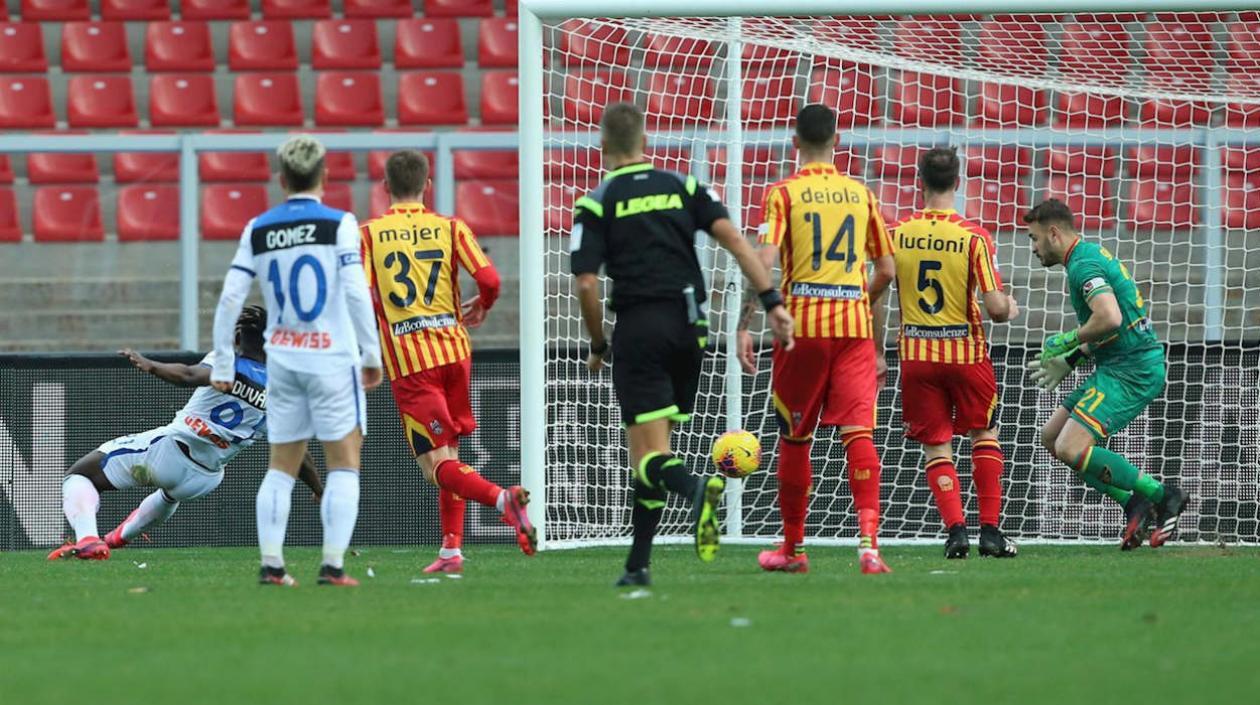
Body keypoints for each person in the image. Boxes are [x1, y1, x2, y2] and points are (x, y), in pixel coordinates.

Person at [571, 102, 794, 587]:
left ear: (604, 147)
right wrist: (772, 301)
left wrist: (597, 341)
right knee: (656, 450)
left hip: (640, 326)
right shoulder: (684, 187)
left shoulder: (596, 202)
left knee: (647, 456)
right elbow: (736, 242)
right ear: (646, 143)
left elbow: (587, 283)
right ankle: (638, 565)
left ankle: (695, 490)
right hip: (691, 329)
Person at [210, 134, 383, 587]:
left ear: (282, 179)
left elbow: (230, 297)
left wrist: (224, 363)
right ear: (324, 176)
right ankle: (332, 566)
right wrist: (371, 352)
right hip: (331, 357)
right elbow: (354, 290)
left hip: (283, 360)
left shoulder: (259, 229)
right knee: (343, 462)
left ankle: (272, 565)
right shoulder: (339, 224)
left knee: (281, 466)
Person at [736, 103, 897, 575]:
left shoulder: (783, 193)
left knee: (794, 437)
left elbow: (763, 261)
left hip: (802, 328)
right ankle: (869, 548)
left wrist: (746, 320)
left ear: (795, 142)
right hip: (853, 329)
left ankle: (792, 549)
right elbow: (886, 271)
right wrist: (855, 300)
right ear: (837, 141)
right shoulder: (861, 194)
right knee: (859, 434)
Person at [360, 150, 535, 573]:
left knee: (434, 465)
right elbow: (490, 279)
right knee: (450, 453)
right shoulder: (451, 227)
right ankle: (451, 549)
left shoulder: (369, 235)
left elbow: (363, 298)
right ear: (427, 185)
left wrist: (366, 352)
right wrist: (484, 306)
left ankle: (501, 499)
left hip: (411, 361)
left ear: (385, 188)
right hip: (456, 354)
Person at [49, 307, 324, 561]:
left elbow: (189, 375)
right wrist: (319, 490)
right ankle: (117, 538)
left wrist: (151, 365)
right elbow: (297, 451)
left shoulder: (228, 362)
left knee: (81, 476)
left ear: (238, 336)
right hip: (206, 478)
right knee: (170, 495)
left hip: (172, 451)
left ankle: (87, 540)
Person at [1025, 198, 1188, 549]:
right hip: (1118, 362)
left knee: (1071, 447)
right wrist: (1072, 359)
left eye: (1035, 239)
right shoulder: (1087, 256)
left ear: (1053, 233)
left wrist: (1068, 339)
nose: (1034, 248)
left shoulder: (1083, 267)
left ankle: (1163, 495)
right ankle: (1134, 503)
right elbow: (1113, 328)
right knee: (1052, 438)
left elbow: (1109, 317)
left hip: (1133, 369)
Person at [889, 147, 1019, 559]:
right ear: (958, 183)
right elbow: (996, 309)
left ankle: (955, 531)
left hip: (917, 355)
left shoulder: (897, 232)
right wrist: (1010, 305)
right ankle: (991, 531)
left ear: (919, 182)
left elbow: (880, 283)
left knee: (936, 445)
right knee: (983, 433)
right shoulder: (973, 236)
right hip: (965, 353)